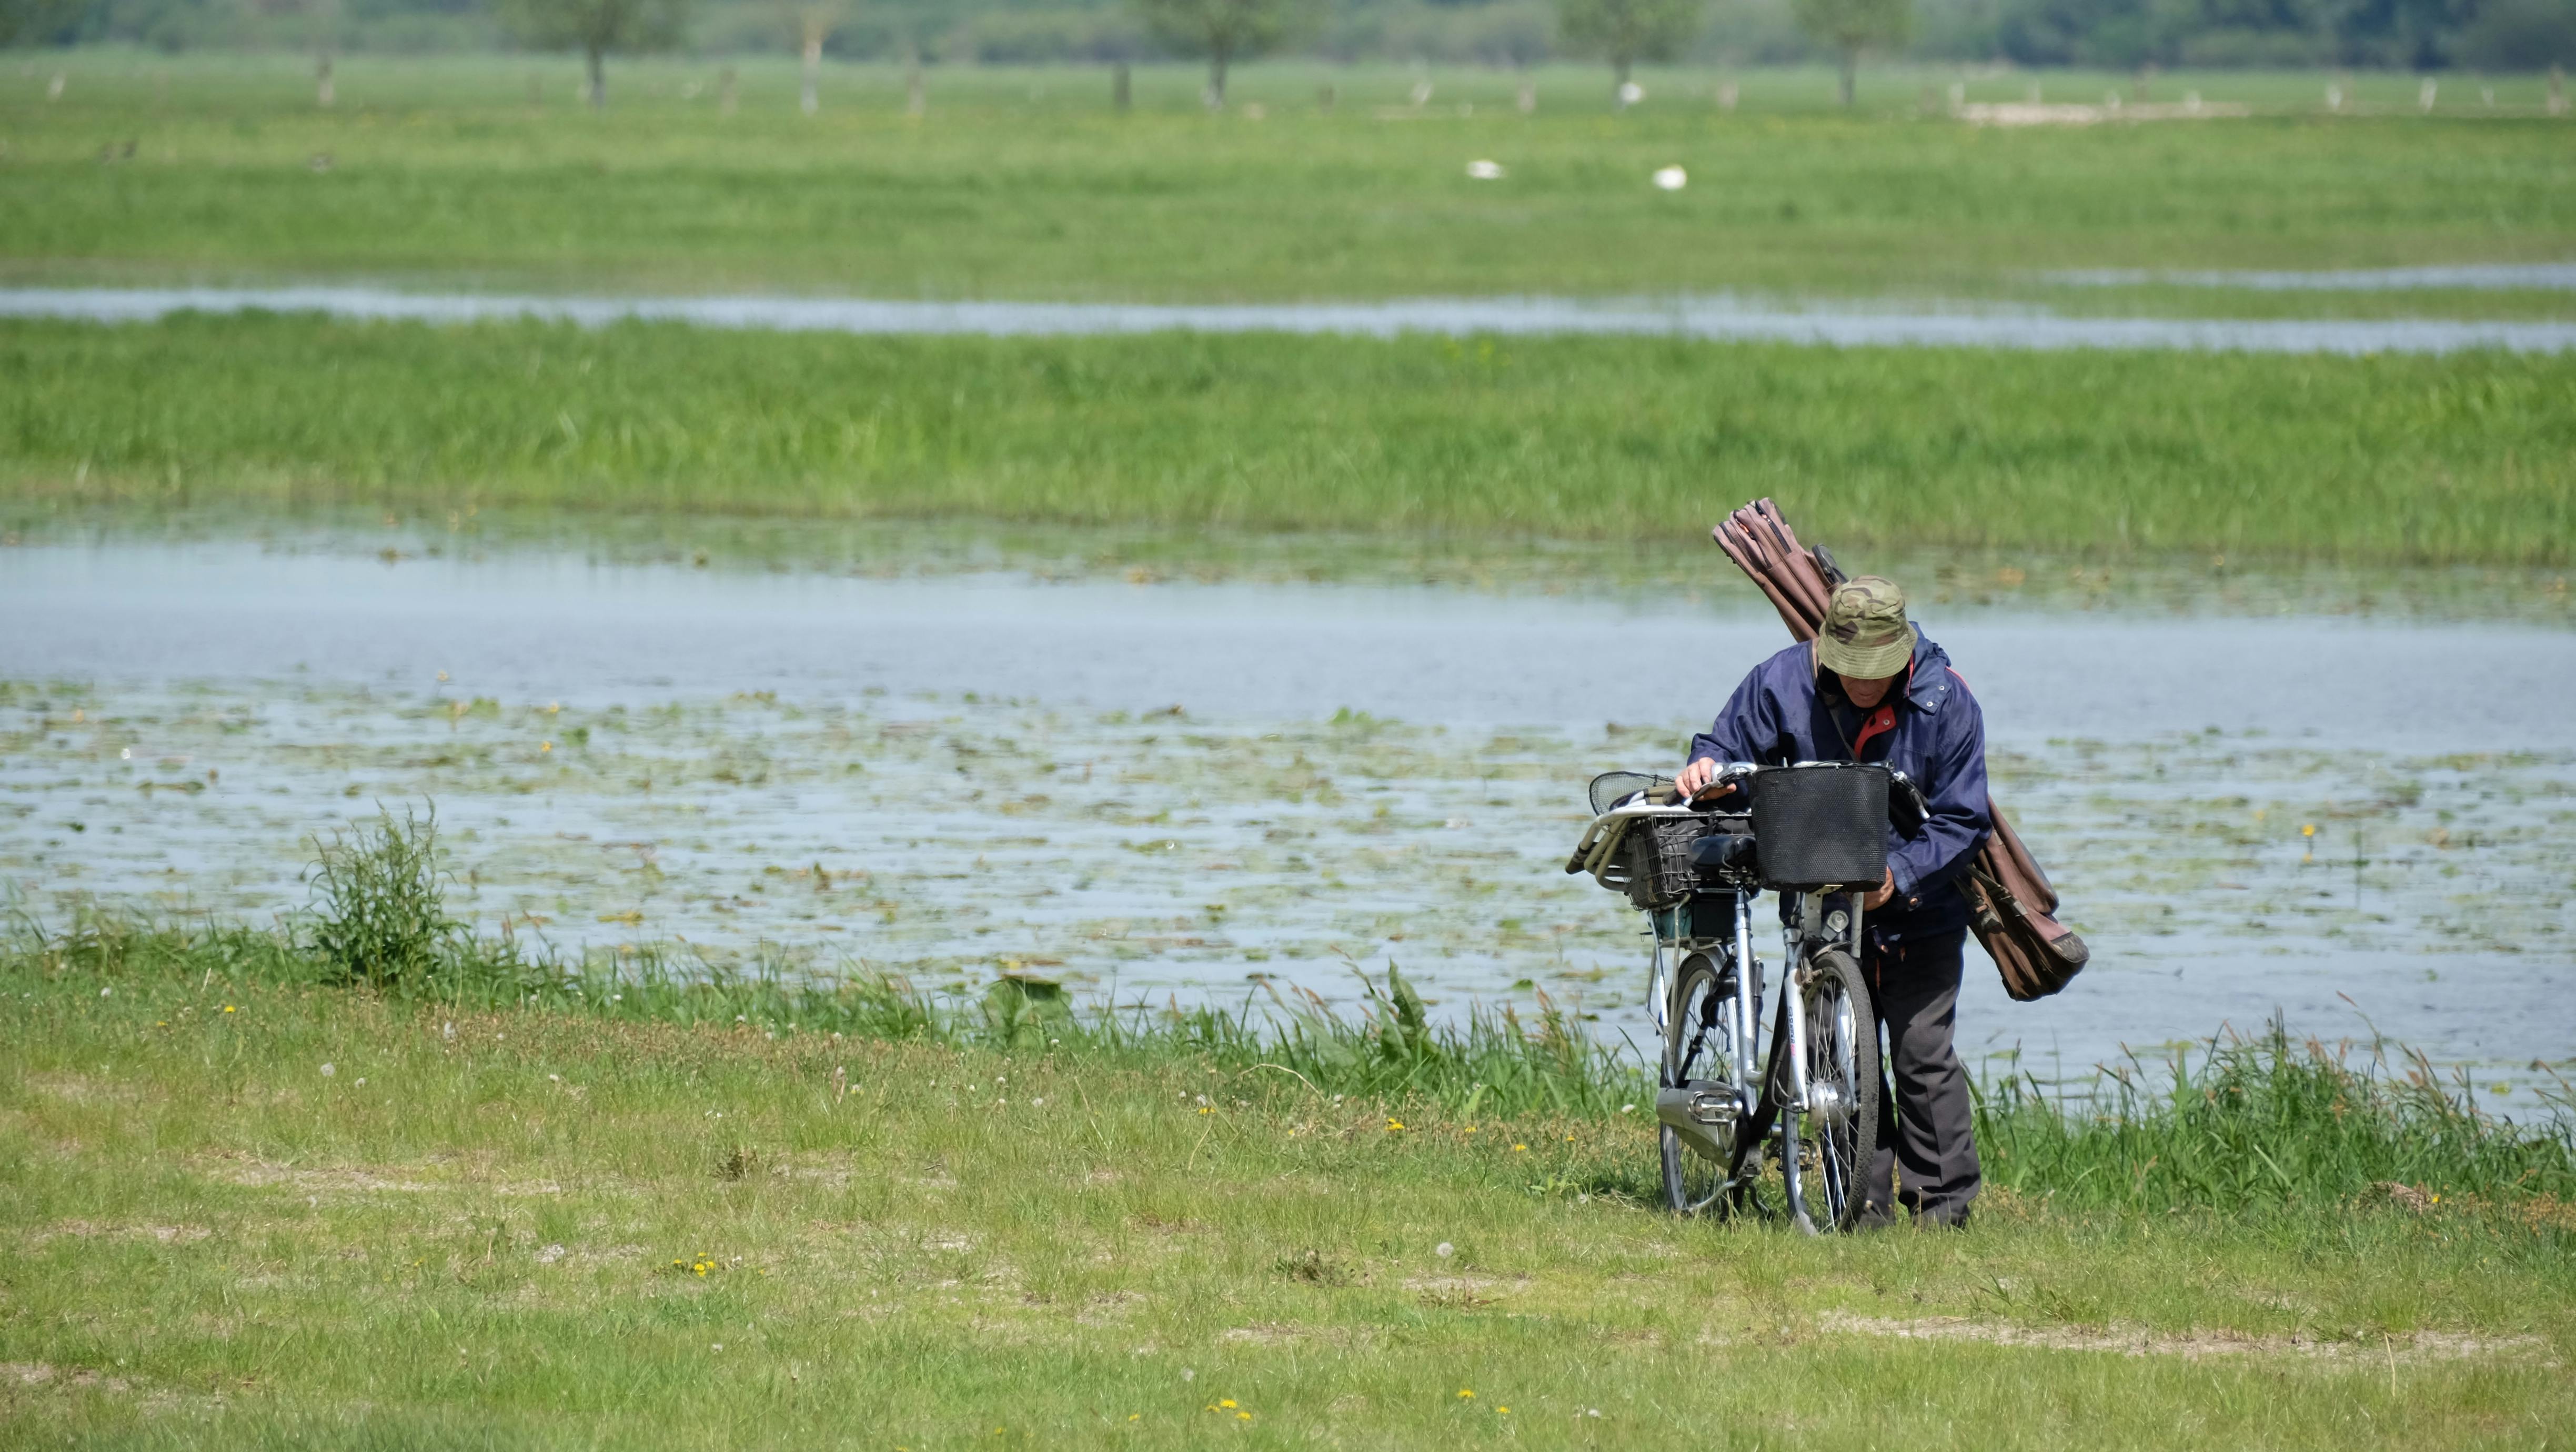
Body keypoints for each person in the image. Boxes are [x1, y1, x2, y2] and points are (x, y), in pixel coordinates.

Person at [1674, 576, 1990, 1228]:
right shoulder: (1780, 682)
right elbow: (1726, 752)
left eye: (1877, 671)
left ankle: (1944, 1213)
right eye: (1852, 671)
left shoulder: (1948, 703)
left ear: (1904, 653)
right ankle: (1859, 1204)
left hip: (1919, 910)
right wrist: (1706, 772)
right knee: (1829, 1055)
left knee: (1923, 1056)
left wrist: (1898, 875)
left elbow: (1963, 822)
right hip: (1819, 904)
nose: (1863, 683)